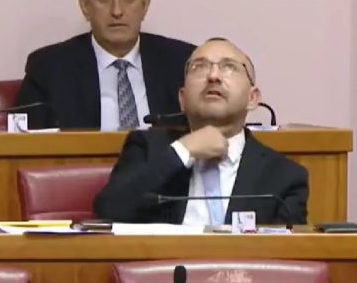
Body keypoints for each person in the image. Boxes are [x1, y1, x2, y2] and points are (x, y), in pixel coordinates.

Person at [93, 38, 308, 225]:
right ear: (182, 99)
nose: (213, 76)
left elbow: (287, 253)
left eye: (229, 67)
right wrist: (184, 150)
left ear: (252, 98)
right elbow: (109, 210)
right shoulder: (147, 149)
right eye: (199, 67)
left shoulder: (284, 176)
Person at [14, 0, 195, 130]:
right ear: (85, 5)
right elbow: (21, 142)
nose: (117, 11)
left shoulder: (184, 63)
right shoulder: (48, 69)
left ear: (145, 5)